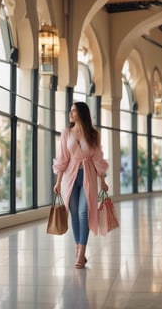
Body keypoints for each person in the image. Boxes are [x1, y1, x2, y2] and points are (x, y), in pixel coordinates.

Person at [53, 102, 109, 269]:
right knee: (75, 215)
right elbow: (62, 159)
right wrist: (57, 182)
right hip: (69, 177)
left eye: (74, 110)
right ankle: (78, 249)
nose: (70, 113)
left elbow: (98, 158)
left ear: (82, 113)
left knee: (84, 212)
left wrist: (103, 180)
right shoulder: (66, 134)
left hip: (88, 176)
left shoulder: (93, 134)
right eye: (70, 110)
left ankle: (81, 253)